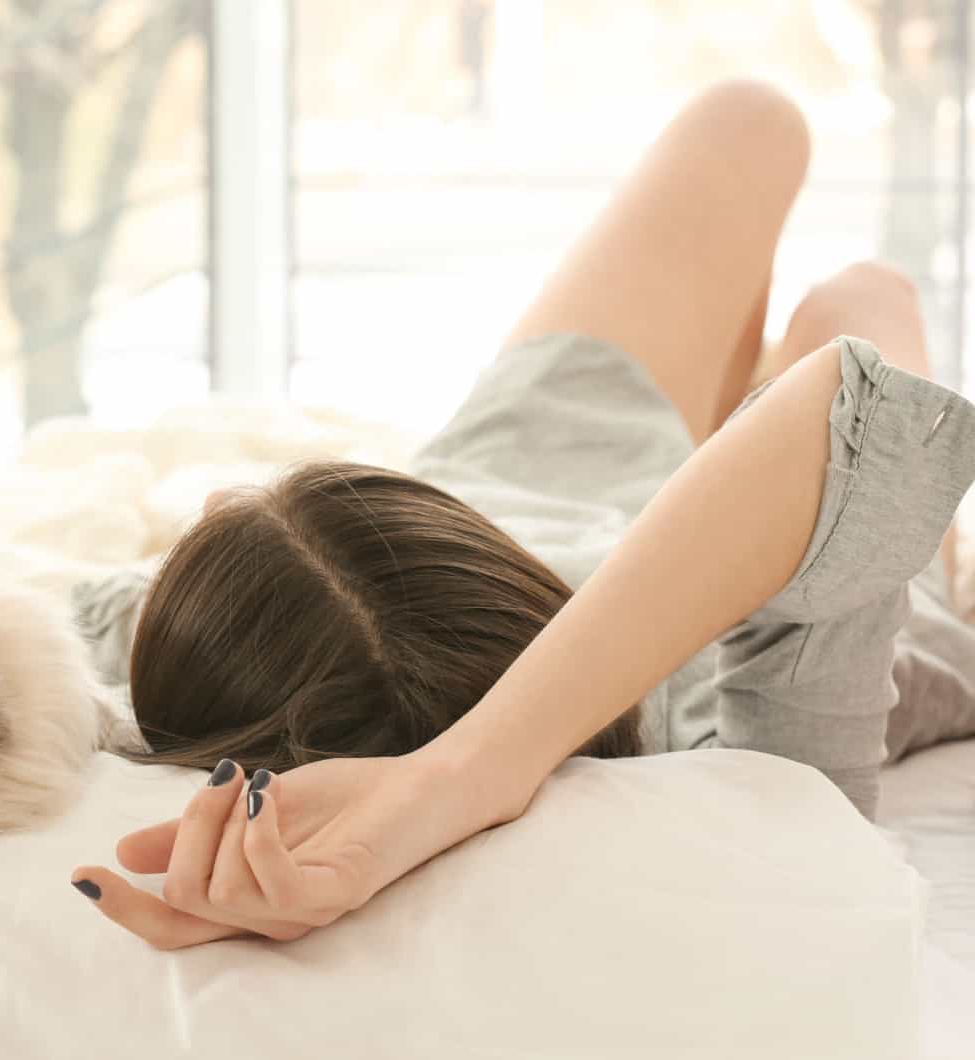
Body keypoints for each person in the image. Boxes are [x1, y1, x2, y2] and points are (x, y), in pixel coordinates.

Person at [66, 81, 975, 949]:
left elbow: (30, 622)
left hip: (540, 459)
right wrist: (462, 776)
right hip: (698, 537)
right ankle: (738, 417)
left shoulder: (184, 634)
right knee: (862, 291)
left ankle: (735, 420)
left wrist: (455, 767)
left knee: (750, 120)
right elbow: (861, 401)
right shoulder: (735, 735)